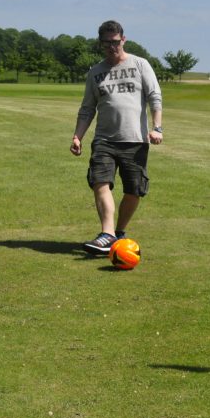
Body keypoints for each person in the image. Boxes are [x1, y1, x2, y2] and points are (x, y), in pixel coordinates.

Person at [71, 20, 163, 254]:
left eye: (115, 42)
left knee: (134, 190)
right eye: (106, 44)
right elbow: (87, 108)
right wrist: (77, 136)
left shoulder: (140, 65)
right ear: (101, 44)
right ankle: (107, 233)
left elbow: (154, 96)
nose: (112, 47)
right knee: (100, 182)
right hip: (104, 139)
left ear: (123, 39)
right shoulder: (95, 73)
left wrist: (157, 128)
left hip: (135, 140)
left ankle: (118, 232)